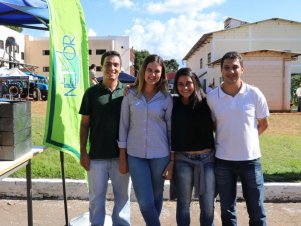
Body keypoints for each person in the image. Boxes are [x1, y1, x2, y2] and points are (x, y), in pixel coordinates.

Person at [207, 51, 269, 226]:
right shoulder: (212, 98)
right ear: (221, 71)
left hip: (251, 161)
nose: (231, 71)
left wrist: (248, 140)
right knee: (227, 211)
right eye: (226, 68)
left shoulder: (254, 94)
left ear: (242, 69)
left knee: (257, 211)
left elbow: (263, 124)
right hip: (223, 161)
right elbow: (211, 127)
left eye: (235, 67)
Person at [118, 54, 173, 226]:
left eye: (157, 71)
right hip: (135, 155)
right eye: (149, 70)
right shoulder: (130, 94)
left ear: (162, 74)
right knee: (144, 202)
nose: (153, 74)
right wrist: (122, 155)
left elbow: (171, 130)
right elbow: (123, 125)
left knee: (156, 198)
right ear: (143, 71)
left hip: (160, 155)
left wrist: (172, 160)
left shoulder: (166, 98)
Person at [79, 51, 131, 226]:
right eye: (108, 64)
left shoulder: (127, 93)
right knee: (96, 200)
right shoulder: (91, 93)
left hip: (121, 158)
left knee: (123, 200)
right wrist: (83, 152)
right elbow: (84, 124)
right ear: (102, 67)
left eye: (116, 65)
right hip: (96, 157)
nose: (112, 68)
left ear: (120, 68)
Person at [171, 67, 216, 226]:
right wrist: (132, 87)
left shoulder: (208, 102)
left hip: (207, 159)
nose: (184, 87)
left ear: (195, 83)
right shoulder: (173, 103)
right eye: (180, 84)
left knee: (208, 205)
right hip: (183, 159)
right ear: (176, 85)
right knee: (183, 204)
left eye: (188, 83)